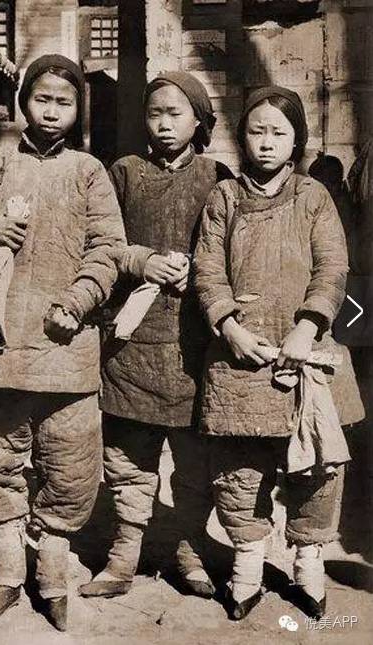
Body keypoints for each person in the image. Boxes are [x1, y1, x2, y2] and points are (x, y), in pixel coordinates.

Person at [0, 54, 125, 631]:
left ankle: (52, 571)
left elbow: (108, 248)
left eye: (64, 102)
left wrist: (79, 300)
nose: (51, 111)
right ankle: (7, 569)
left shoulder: (89, 171)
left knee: (70, 461)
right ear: (24, 104)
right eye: (41, 99)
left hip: (64, 343)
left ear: (78, 110)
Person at [193, 86, 364, 620]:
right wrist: (229, 327)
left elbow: (332, 267)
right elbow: (207, 269)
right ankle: (247, 565)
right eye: (256, 131)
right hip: (240, 356)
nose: (266, 143)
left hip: (305, 352)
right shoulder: (223, 197)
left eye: (278, 132)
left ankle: (308, 563)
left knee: (316, 466)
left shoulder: (314, 196)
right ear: (242, 137)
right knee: (239, 468)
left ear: (296, 140)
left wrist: (308, 328)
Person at [80, 72, 233, 599]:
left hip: (195, 344)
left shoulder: (218, 177)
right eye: (154, 114)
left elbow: (232, 248)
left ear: (199, 120)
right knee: (127, 458)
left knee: (194, 462)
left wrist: (202, 271)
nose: (164, 124)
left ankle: (189, 550)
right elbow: (101, 243)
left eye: (175, 113)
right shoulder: (123, 173)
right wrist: (139, 260)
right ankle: (123, 557)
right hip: (132, 342)